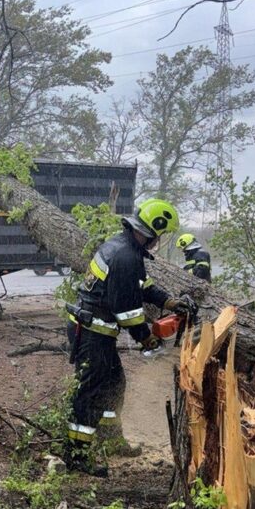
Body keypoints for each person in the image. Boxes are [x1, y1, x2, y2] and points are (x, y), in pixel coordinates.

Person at [66, 199, 195, 474]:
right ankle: (76, 455)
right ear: (152, 230)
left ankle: (111, 440)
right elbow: (127, 312)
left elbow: (143, 286)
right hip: (92, 331)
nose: (159, 240)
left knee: (115, 383)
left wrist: (168, 301)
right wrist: (147, 338)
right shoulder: (125, 257)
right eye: (160, 234)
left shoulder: (125, 248)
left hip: (98, 331)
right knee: (91, 391)